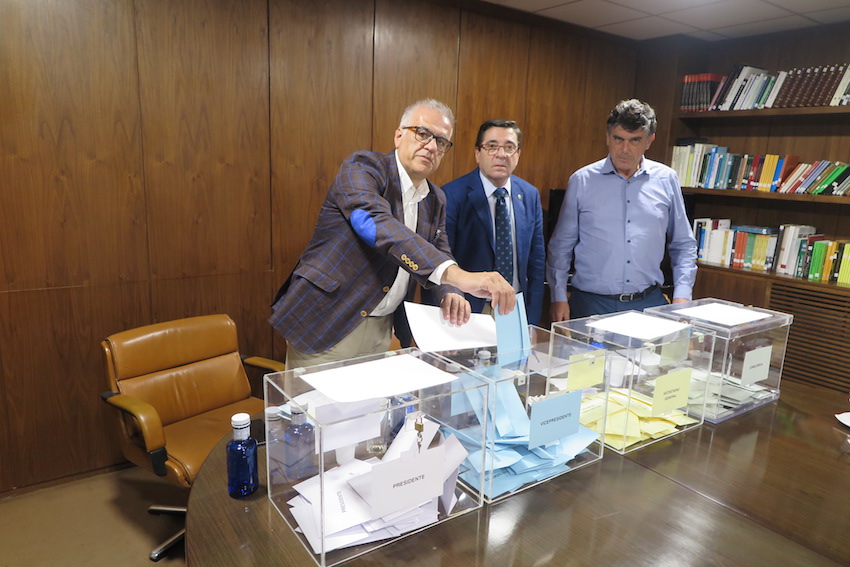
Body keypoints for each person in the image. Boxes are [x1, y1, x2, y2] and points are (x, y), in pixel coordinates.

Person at [270, 99, 516, 368]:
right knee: (313, 409)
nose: (431, 146)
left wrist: (450, 290)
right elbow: (377, 225)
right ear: (399, 135)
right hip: (327, 321)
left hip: (382, 329)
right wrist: (459, 276)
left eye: (441, 142)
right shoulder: (363, 168)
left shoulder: (436, 199)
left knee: (369, 409)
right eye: (422, 134)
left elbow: (440, 249)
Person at [546, 99, 697, 322]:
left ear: (649, 141)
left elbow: (683, 244)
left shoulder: (666, 179)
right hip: (591, 304)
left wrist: (682, 296)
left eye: (635, 140)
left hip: (648, 303)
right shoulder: (582, 181)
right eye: (618, 139)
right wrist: (558, 296)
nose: (624, 149)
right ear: (608, 138)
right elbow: (560, 247)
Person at [424, 119, 545, 325]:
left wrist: (531, 320)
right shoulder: (451, 195)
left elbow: (536, 262)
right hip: (467, 311)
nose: (501, 154)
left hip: (514, 309)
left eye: (509, 147)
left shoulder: (529, 195)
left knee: (512, 358)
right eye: (491, 146)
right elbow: (441, 257)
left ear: (518, 154)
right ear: (477, 153)